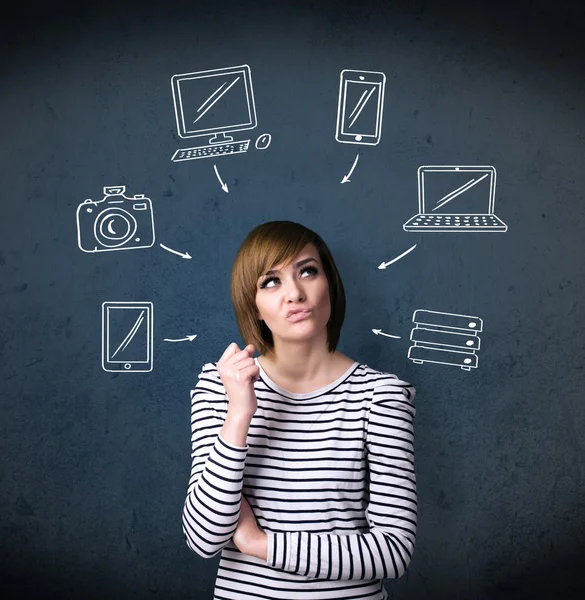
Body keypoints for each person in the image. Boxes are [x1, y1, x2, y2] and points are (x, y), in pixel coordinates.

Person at [182, 221, 417, 600]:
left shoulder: (381, 396)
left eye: (307, 271)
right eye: (270, 281)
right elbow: (204, 537)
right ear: (253, 306)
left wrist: (259, 544)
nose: (294, 293)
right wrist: (239, 413)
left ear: (330, 285)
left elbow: (393, 552)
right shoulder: (220, 386)